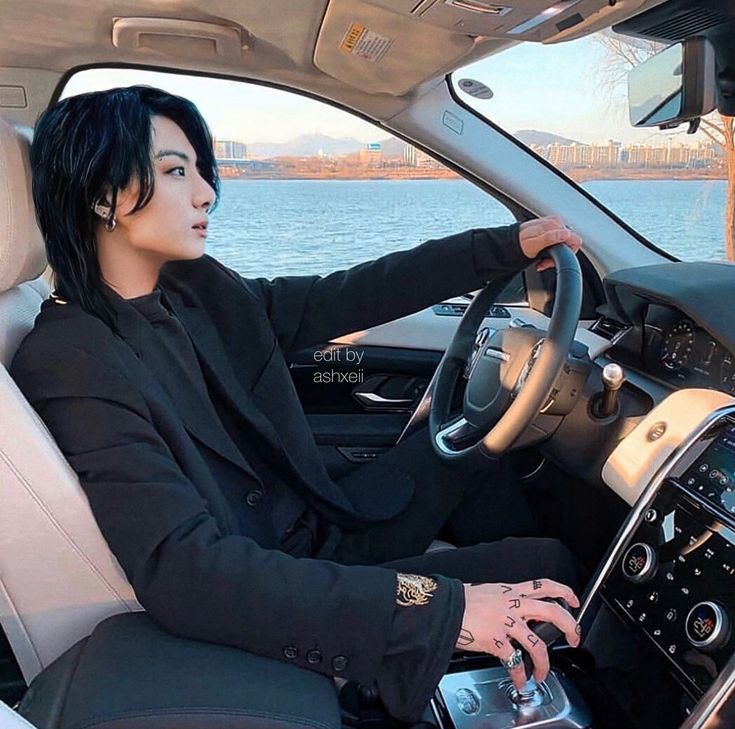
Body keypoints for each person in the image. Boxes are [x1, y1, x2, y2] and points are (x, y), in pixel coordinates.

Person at [11, 86, 585, 723]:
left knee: (473, 458)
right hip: (283, 579)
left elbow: (339, 297)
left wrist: (500, 250)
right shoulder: (71, 357)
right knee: (553, 566)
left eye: (202, 170)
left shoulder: (191, 289)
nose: (206, 193)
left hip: (319, 528)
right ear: (101, 196)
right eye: (177, 171)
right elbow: (186, 572)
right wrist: (444, 607)